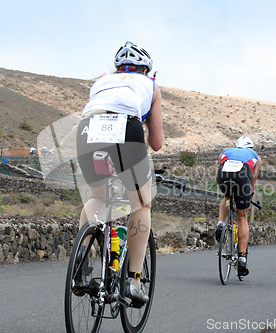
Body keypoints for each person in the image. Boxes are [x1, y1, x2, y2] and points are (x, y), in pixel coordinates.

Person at [76, 41, 163, 304]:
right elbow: (156, 143)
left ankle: (80, 264)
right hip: (125, 130)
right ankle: (134, 281)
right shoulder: (150, 85)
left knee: (98, 195)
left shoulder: (101, 82)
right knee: (141, 203)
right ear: (146, 70)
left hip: (88, 131)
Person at [215, 136, 261, 277]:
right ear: (251, 148)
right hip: (242, 179)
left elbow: (220, 166)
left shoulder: (226, 151)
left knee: (228, 198)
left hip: (223, 176)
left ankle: (221, 224)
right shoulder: (256, 157)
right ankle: (241, 259)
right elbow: (252, 178)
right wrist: (250, 193)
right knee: (242, 216)